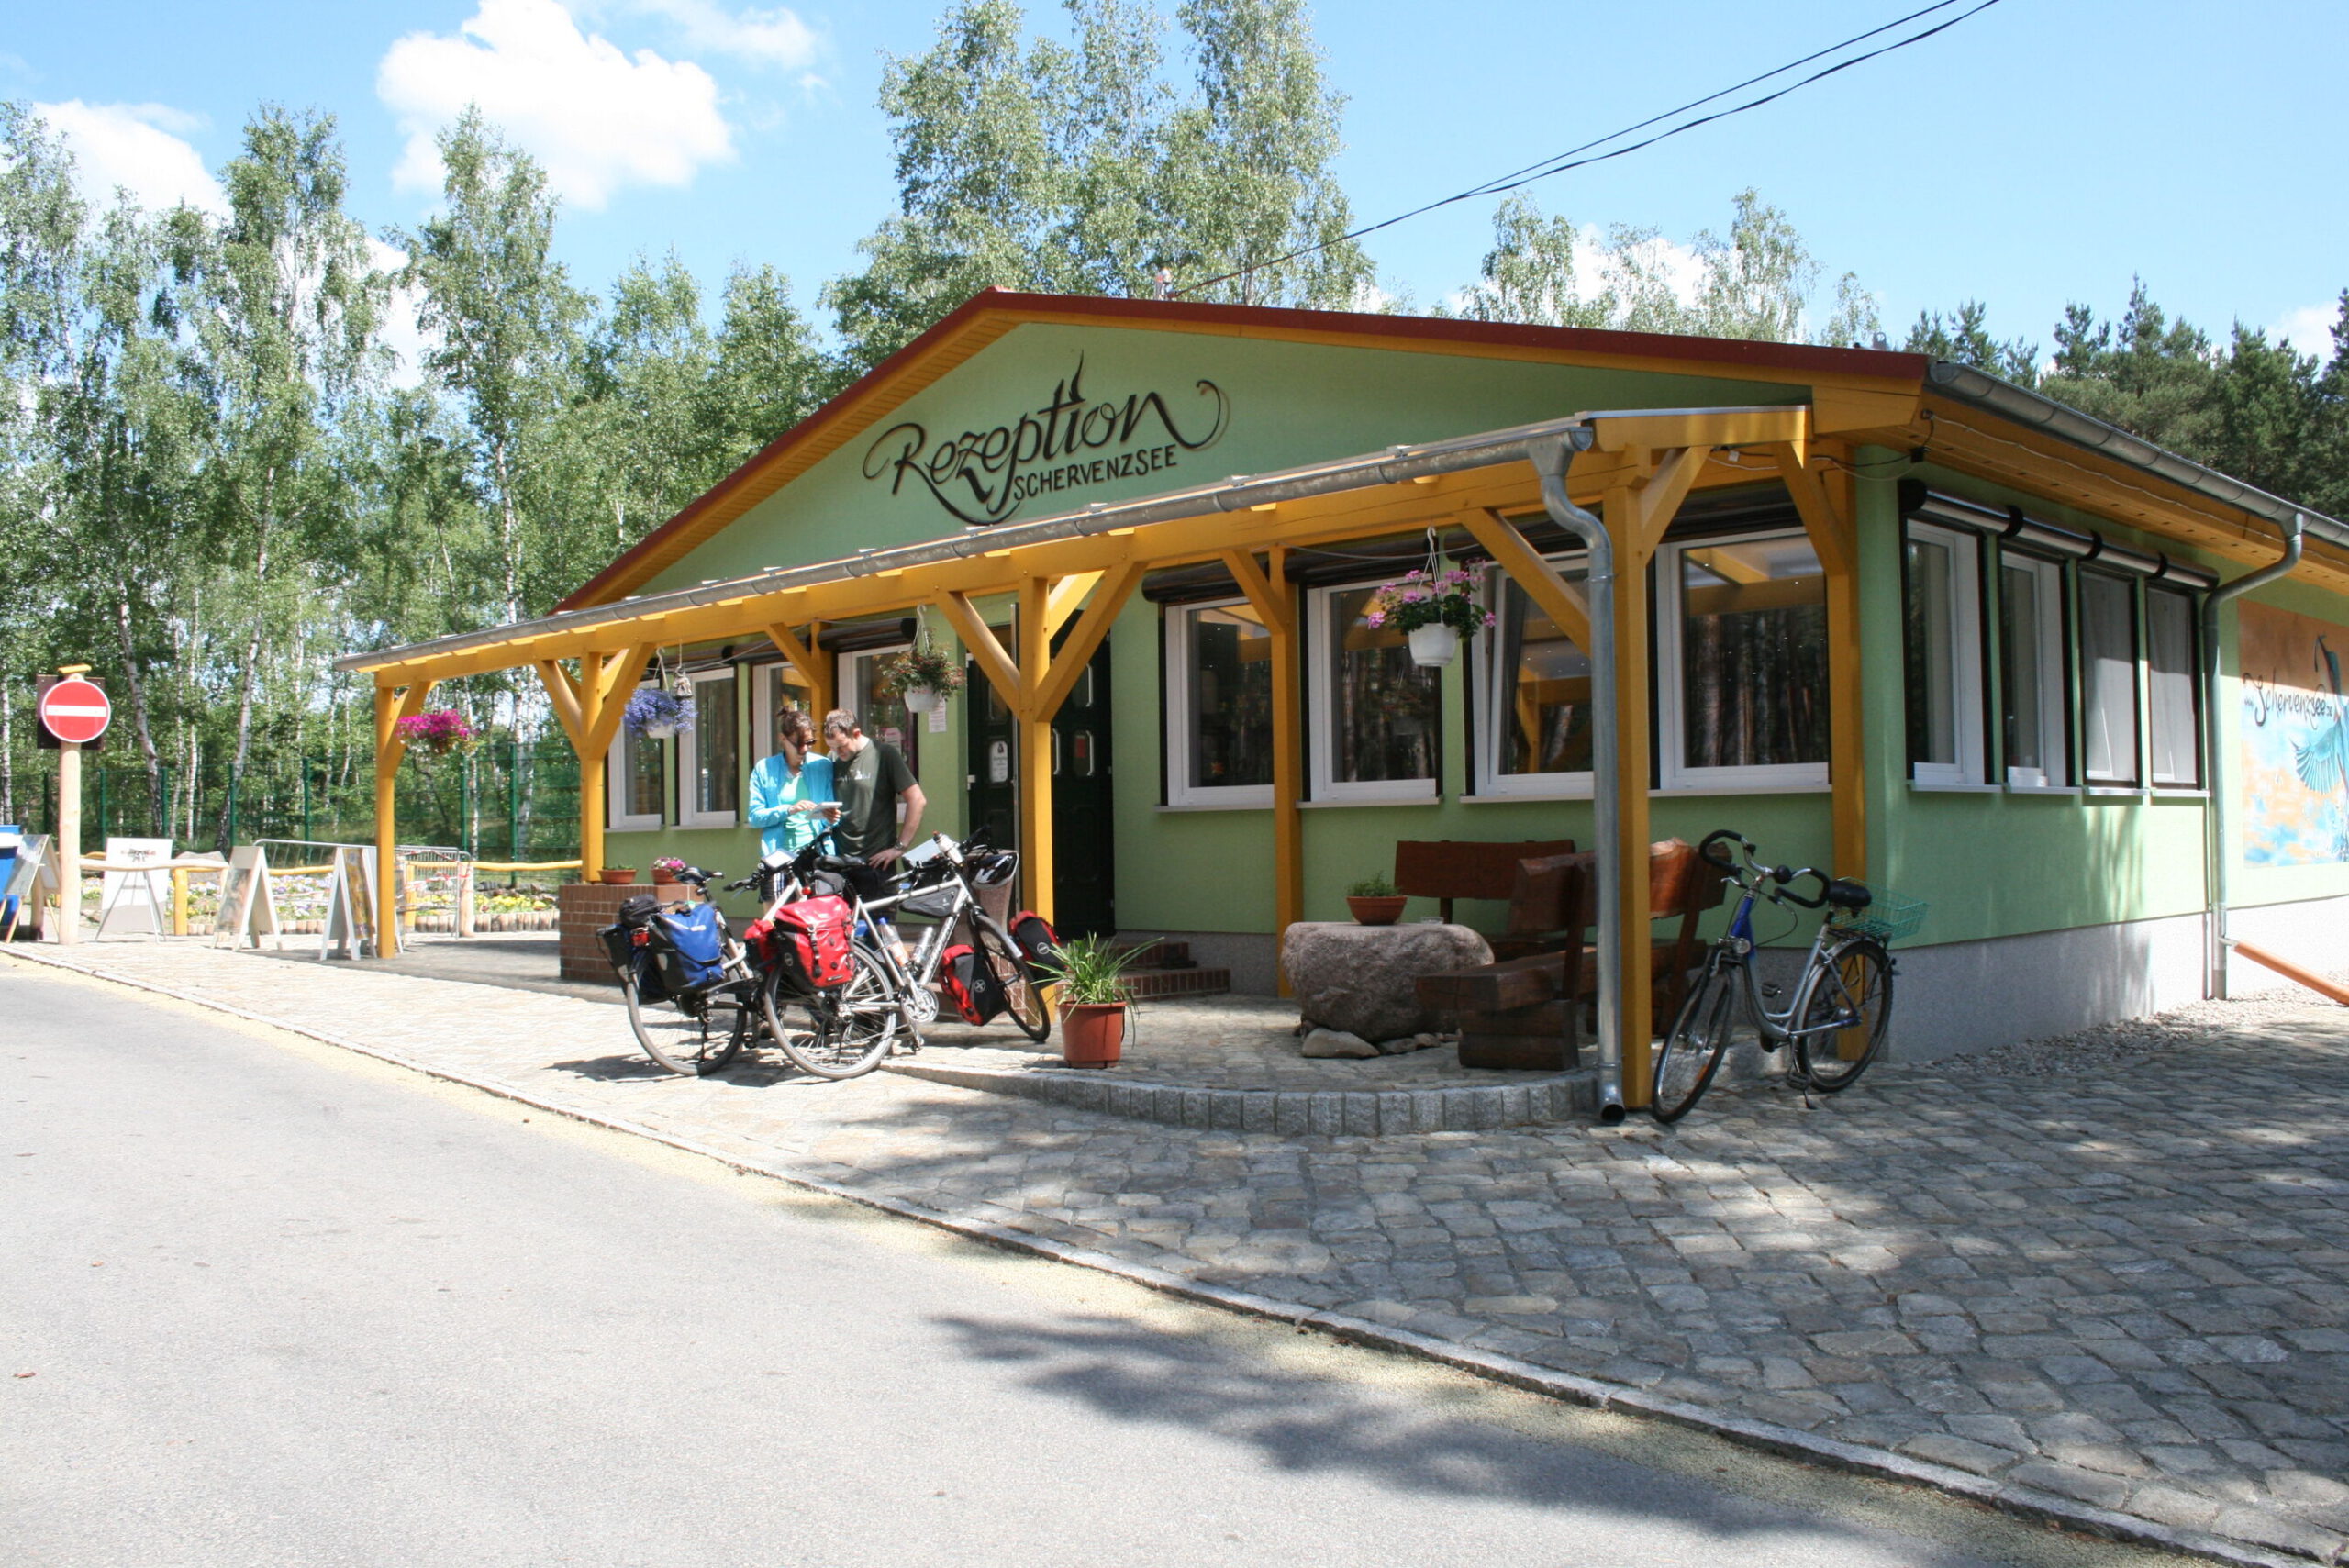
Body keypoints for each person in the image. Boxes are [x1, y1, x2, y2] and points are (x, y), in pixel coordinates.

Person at [823, 708, 923, 867]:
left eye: (841, 746)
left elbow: (917, 800)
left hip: (876, 859)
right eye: (832, 747)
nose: (837, 752)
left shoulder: (884, 754)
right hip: (840, 859)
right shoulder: (832, 759)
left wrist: (900, 847)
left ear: (856, 734)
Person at [746, 706, 837, 859]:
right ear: (783, 739)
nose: (804, 750)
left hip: (818, 853)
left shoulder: (822, 765)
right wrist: (789, 810)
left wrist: (833, 818)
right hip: (778, 857)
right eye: (797, 744)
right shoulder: (765, 768)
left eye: (809, 743)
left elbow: (831, 817)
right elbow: (755, 818)